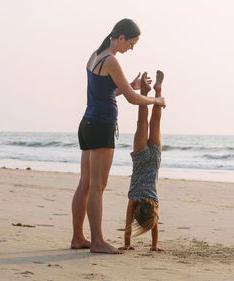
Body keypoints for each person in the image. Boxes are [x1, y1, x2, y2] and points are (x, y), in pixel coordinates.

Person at [71, 19, 166, 254]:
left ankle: (78, 237)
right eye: (131, 43)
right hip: (102, 125)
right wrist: (156, 100)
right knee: (97, 186)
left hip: (88, 123)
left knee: (85, 183)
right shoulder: (111, 61)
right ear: (121, 37)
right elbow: (133, 99)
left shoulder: (96, 55)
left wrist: (131, 84)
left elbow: (107, 91)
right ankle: (98, 241)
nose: (131, 48)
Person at [119, 70, 164, 252]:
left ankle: (157, 92)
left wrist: (155, 245)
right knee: (142, 121)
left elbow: (154, 226)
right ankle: (145, 92)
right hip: (140, 158)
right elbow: (127, 224)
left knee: (154, 122)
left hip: (153, 159)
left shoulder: (154, 202)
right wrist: (127, 243)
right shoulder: (134, 199)